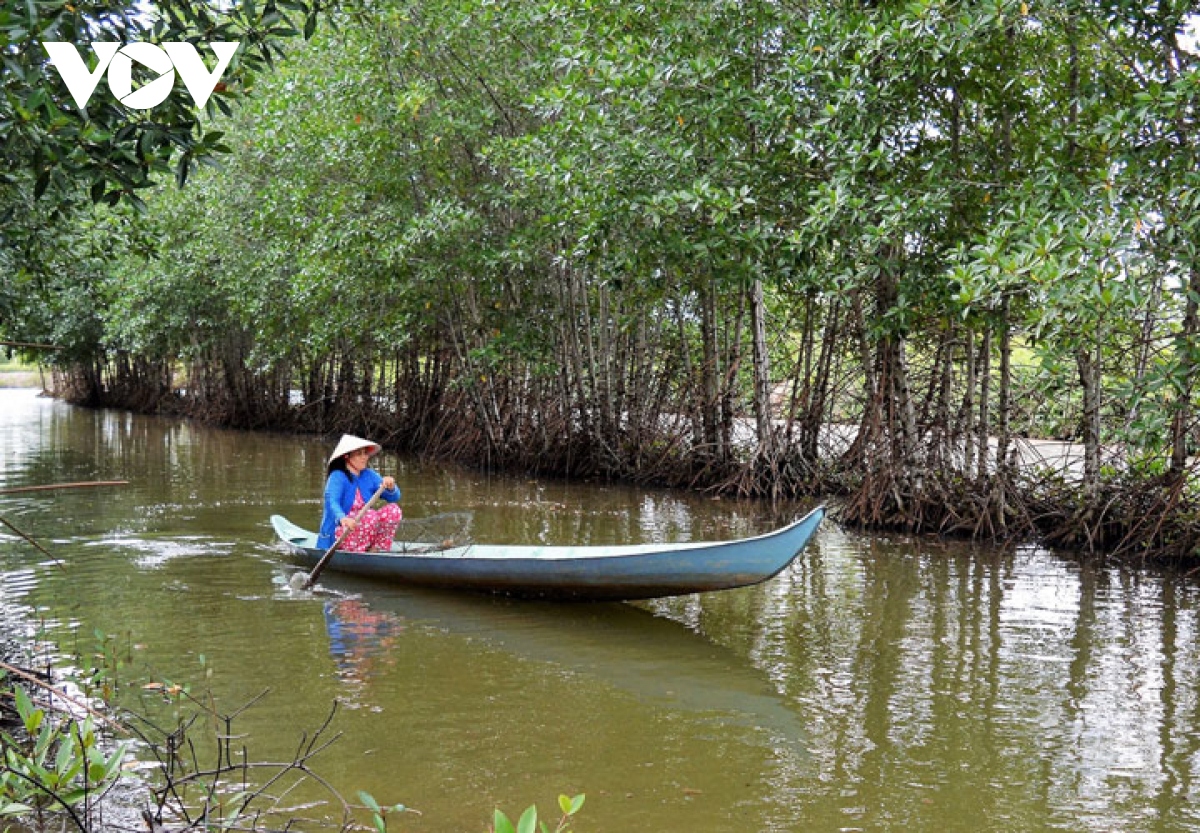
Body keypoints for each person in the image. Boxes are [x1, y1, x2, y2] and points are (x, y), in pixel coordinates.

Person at [317, 434, 403, 552]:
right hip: (342, 532)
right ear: (347, 456)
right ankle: (358, 552)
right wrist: (343, 518)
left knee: (393, 509)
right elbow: (332, 502)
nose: (364, 457)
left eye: (365, 453)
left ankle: (376, 548)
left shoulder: (369, 475)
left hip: (366, 528)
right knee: (370, 516)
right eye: (359, 454)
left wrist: (391, 487)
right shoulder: (337, 476)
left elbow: (394, 498)